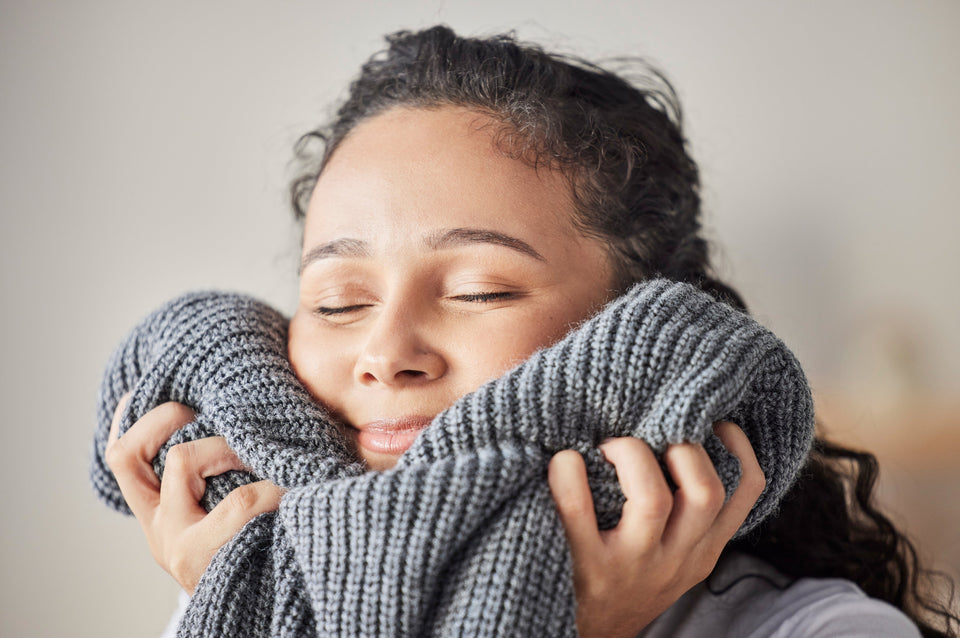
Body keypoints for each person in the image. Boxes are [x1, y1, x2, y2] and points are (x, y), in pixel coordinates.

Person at [103, 25, 958, 637]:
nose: (386, 354)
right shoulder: (250, 591)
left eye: (479, 291)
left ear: (643, 331)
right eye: (336, 302)